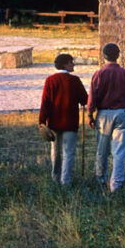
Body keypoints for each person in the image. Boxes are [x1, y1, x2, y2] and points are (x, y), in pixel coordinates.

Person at [87, 42, 125, 192]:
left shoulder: (99, 74)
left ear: (104, 56)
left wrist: (90, 114)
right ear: (118, 55)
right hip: (121, 112)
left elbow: (92, 96)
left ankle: (101, 179)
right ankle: (116, 184)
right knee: (119, 151)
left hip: (103, 114)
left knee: (102, 150)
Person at [39, 53, 88, 186]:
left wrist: (42, 121)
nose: (73, 65)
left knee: (55, 151)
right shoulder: (75, 80)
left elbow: (45, 102)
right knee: (69, 152)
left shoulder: (50, 80)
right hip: (70, 123)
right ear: (65, 64)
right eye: (71, 62)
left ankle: (55, 177)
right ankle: (65, 181)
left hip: (54, 123)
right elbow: (84, 100)